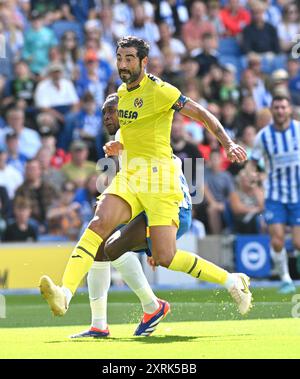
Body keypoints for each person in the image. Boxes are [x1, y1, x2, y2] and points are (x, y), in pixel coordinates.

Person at [39, 36, 252, 321]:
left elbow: (200, 113)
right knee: (98, 224)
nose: (123, 65)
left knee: (165, 256)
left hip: (160, 180)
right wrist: (119, 144)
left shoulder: (161, 91)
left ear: (143, 61)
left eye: (129, 59)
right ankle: (65, 294)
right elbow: (133, 128)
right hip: (130, 176)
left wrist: (227, 143)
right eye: (119, 58)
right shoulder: (121, 92)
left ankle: (231, 280)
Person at [70, 93, 192, 338]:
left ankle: (152, 306)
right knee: (102, 244)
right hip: (147, 204)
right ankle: (100, 324)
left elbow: (153, 181)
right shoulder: (124, 138)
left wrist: (153, 228)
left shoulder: (144, 137)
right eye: (104, 112)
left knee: (112, 245)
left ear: (125, 112)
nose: (107, 117)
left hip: (166, 207)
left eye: (112, 111)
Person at [246, 95, 299, 294]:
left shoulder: (298, 130)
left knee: (297, 242)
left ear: (289, 110)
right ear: (271, 110)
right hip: (275, 195)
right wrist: (251, 175)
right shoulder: (264, 136)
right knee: (276, 239)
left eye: (283, 107)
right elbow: (253, 162)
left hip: (298, 194)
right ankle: (285, 278)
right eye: (276, 108)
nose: (280, 111)